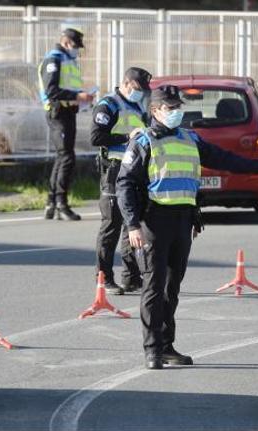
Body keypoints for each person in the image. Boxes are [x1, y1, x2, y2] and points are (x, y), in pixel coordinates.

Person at [117, 85, 258, 370]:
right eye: (170, 108)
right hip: (153, 222)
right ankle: (152, 349)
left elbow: (225, 159)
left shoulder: (190, 138)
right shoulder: (143, 142)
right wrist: (133, 225)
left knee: (171, 288)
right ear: (155, 111)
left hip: (183, 221)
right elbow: (124, 184)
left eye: (178, 107)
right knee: (153, 285)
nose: (176, 112)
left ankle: (167, 345)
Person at [91, 67, 151, 294]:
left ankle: (131, 277)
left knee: (131, 224)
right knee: (112, 226)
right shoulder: (109, 104)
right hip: (114, 171)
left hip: (134, 170)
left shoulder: (137, 106)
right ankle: (103, 278)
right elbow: (96, 137)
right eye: (137, 88)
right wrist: (127, 137)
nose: (140, 93)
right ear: (126, 84)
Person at [38, 26, 92, 221]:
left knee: (63, 157)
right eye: (76, 46)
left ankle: (52, 202)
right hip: (58, 112)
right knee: (67, 157)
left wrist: (80, 99)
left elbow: (66, 87)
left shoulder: (68, 60)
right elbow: (52, 91)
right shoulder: (54, 59)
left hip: (68, 111)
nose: (77, 50)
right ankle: (61, 203)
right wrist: (78, 95)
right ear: (66, 42)